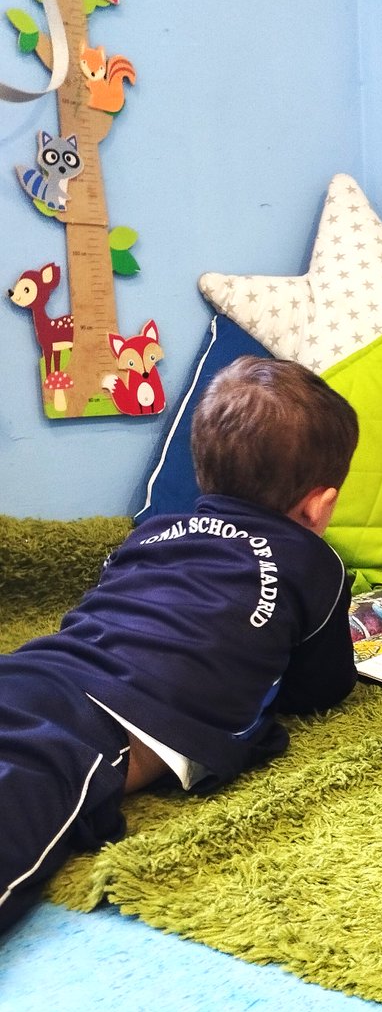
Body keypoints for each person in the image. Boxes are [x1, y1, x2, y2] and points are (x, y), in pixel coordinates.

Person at [0, 357, 360, 935]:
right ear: (320, 505)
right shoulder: (316, 564)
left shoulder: (151, 530)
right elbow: (322, 688)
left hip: (36, 666)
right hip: (98, 722)